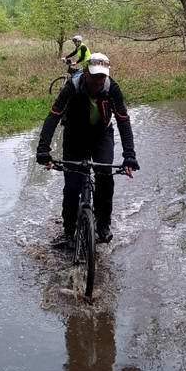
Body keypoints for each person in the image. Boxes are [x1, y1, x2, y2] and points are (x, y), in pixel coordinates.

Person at [36, 53, 139, 246]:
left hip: (102, 136)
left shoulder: (112, 88)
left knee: (105, 176)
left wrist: (129, 156)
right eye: (95, 77)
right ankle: (68, 231)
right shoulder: (72, 88)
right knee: (72, 187)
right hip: (75, 137)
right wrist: (43, 149)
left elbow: (123, 122)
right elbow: (53, 117)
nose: (98, 82)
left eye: (102, 77)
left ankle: (103, 225)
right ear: (86, 73)